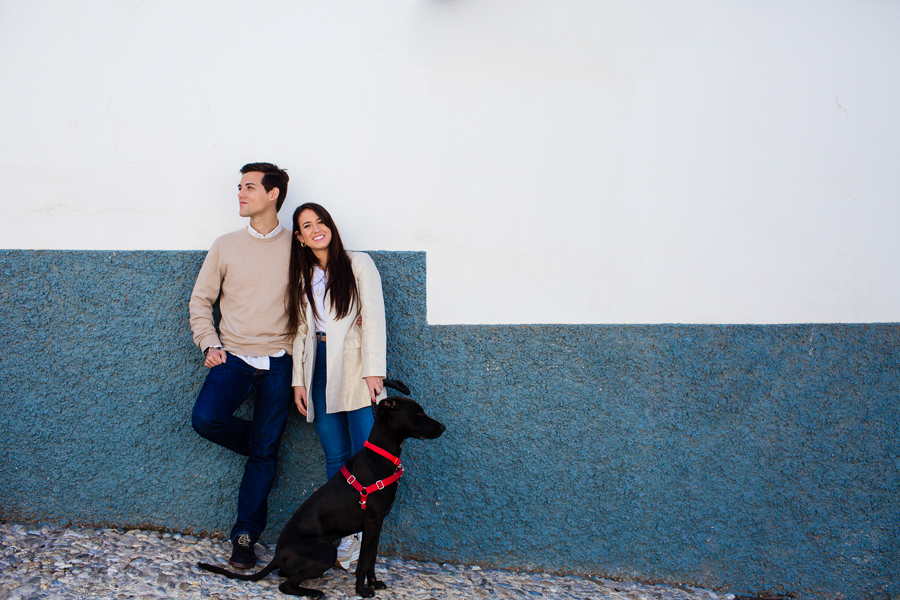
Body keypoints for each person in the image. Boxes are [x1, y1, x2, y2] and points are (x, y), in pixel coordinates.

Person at [189, 162, 293, 569]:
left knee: (263, 455)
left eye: (249, 187)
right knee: (206, 419)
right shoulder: (225, 245)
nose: (240, 194)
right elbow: (201, 300)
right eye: (239, 187)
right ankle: (264, 450)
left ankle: (245, 538)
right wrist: (208, 344)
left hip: (281, 361)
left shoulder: (295, 247)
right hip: (232, 357)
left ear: (274, 194)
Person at [287, 202, 387, 570]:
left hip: (358, 366)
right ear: (299, 238)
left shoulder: (358, 263)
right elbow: (300, 331)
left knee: (367, 454)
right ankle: (345, 532)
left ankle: (361, 533)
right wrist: (298, 380)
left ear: (330, 225)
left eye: (320, 221)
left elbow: (374, 318)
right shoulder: (302, 276)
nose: (316, 229)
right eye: (306, 226)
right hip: (319, 368)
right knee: (336, 457)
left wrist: (374, 370)